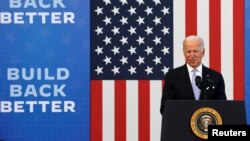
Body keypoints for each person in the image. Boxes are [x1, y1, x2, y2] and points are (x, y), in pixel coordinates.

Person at [160, 35, 227, 115]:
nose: (192, 55)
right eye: (188, 51)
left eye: (195, 51)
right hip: (181, 125)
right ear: (184, 53)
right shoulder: (172, 76)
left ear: (203, 52)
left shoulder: (215, 77)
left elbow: (223, 107)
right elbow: (165, 108)